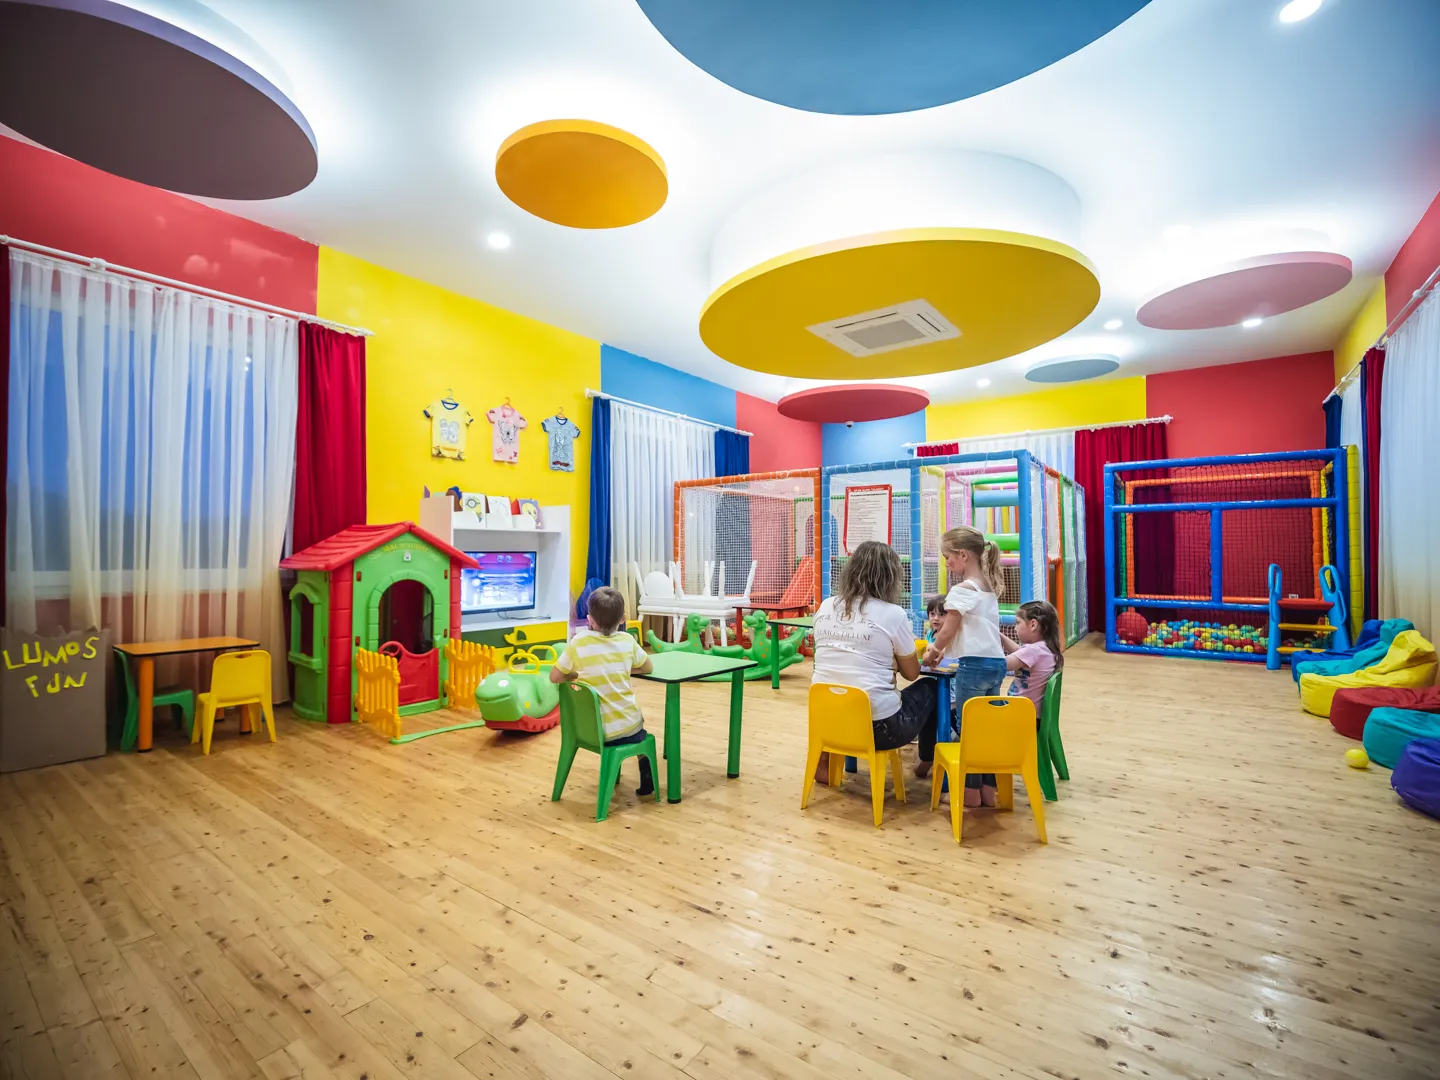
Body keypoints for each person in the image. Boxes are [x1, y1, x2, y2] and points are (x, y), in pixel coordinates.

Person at [810, 541, 935, 773]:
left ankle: (825, 759)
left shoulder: (826, 606)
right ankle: (927, 758)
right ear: (890, 577)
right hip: (880, 729)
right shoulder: (893, 614)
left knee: (839, 682)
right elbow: (911, 674)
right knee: (931, 687)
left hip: (827, 721)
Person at [920, 526, 1007, 806]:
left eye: (948, 558)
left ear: (963, 555)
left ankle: (970, 794)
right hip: (996, 664)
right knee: (986, 727)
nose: (947, 564)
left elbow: (948, 629)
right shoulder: (987, 588)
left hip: (975, 665)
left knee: (968, 728)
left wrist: (934, 651)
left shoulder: (962, 590)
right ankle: (987, 792)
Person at [550, 586, 655, 796]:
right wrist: (624, 668)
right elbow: (648, 667)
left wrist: (574, 675)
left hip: (588, 732)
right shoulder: (627, 641)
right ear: (623, 619)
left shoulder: (579, 642)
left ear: (590, 620)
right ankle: (646, 778)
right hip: (626, 731)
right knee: (639, 725)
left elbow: (555, 677)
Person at [1003, 599, 1064, 714]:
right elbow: (1021, 653)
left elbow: (1001, 665)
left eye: (1018, 623)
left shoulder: (1033, 651)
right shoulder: (1045, 648)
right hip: (1031, 715)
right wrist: (1000, 637)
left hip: (1020, 715)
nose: (1015, 628)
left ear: (1033, 624)